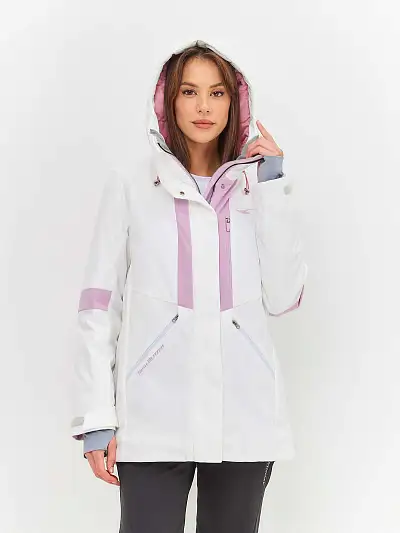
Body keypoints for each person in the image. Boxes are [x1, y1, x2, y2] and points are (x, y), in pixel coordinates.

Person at [70, 39, 308, 533]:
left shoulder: (256, 186)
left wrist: (272, 185)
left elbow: (284, 295)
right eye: (190, 91)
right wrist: (97, 417)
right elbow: (98, 305)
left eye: (217, 93)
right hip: (153, 417)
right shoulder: (132, 184)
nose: (204, 106)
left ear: (234, 103)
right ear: (168, 100)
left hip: (242, 415)